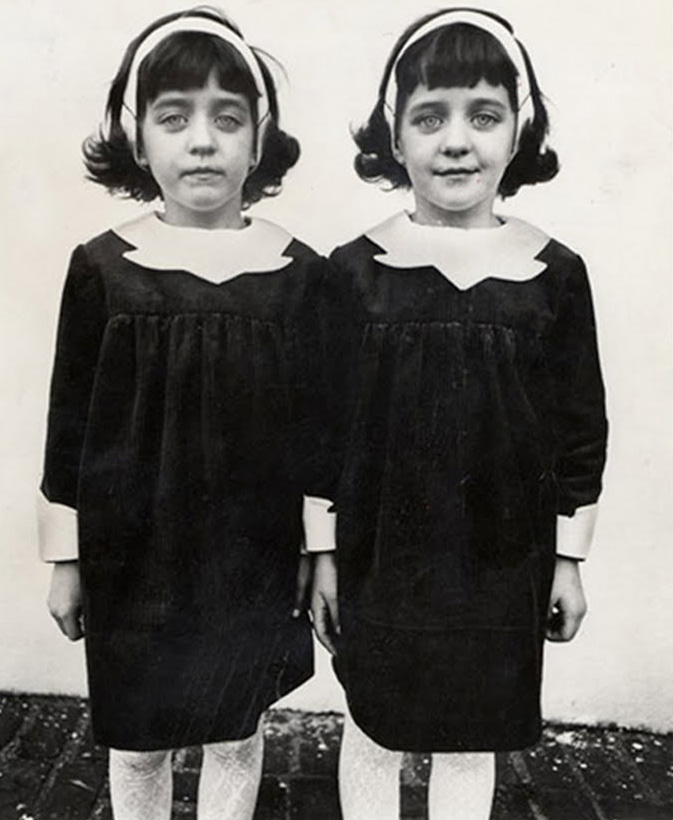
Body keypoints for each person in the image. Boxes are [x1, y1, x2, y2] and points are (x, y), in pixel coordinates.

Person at [310, 8, 608, 820]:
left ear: (520, 131)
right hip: (382, 556)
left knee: (470, 731)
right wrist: (323, 554)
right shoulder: (355, 272)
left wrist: (567, 559)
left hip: (498, 559)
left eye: (483, 116)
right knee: (373, 722)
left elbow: (578, 428)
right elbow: (319, 430)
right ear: (394, 136)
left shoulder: (551, 274)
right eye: (428, 116)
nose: (455, 141)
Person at [38, 9, 334, 820]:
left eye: (226, 119)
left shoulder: (294, 273)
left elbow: (318, 434)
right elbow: (69, 423)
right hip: (134, 550)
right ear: (139, 139)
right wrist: (66, 559)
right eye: (175, 117)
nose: (201, 141)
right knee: (138, 735)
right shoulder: (104, 269)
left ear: (258, 139)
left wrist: (320, 551)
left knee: (234, 727)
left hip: (249, 553)